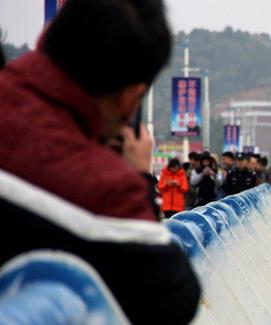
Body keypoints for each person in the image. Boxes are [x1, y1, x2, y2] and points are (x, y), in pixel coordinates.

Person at [0, 0, 200, 323]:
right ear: (128, 98)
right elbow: (175, 298)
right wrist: (140, 178)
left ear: (47, 35)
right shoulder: (103, 188)